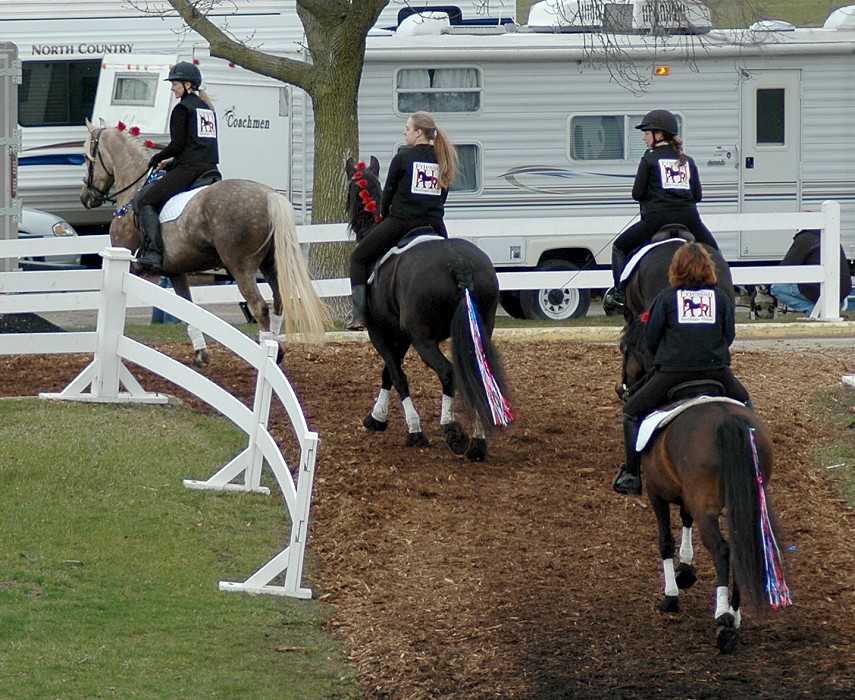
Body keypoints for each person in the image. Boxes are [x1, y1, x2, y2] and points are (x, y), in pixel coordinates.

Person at [613, 242, 751, 497]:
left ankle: (631, 475)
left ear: (676, 269)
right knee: (746, 405)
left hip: (672, 374)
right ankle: (751, 467)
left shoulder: (665, 299)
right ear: (710, 269)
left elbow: (652, 340)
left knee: (631, 413)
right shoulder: (720, 298)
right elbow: (728, 336)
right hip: (717, 372)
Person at [346, 111, 458, 331]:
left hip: (402, 222)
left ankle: (359, 316)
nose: (404, 132)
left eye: (407, 129)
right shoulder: (441, 158)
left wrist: (383, 216)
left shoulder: (403, 157)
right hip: (435, 224)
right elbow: (443, 196)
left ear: (418, 133)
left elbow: (388, 192)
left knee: (358, 259)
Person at [605, 109, 719, 311]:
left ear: (659, 134)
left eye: (646, 133)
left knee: (619, 247)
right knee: (714, 253)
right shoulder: (688, 161)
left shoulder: (649, 159)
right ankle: (721, 290)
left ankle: (619, 293)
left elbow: (637, 194)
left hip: (656, 220)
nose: (643, 138)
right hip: (690, 220)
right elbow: (698, 196)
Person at [135, 61, 220, 272]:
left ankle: (153, 252)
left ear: (188, 84)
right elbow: (196, 145)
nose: (172, 87)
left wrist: (157, 158)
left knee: (145, 201)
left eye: (175, 83)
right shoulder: (206, 108)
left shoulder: (182, 108)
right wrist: (171, 161)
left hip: (190, 170)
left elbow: (178, 144)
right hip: (209, 168)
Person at [770, 228, 852, 315]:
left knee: (776, 288)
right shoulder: (830, 237)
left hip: (820, 291)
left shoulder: (805, 238)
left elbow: (785, 269)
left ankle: (814, 311)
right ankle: (825, 310)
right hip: (841, 294)